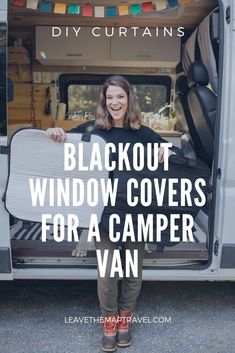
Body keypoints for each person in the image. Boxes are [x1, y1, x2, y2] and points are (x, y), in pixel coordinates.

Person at [47, 75, 176, 352]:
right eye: (110, 97)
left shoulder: (142, 132)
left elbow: (169, 153)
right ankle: (108, 321)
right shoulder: (93, 129)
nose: (115, 102)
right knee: (107, 272)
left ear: (129, 99)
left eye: (120, 96)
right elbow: (64, 140)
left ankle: (124, 321)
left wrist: (164, 153)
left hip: (136, 212)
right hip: (103, 212)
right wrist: (54, 133)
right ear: (104, 101)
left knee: (132, 270)